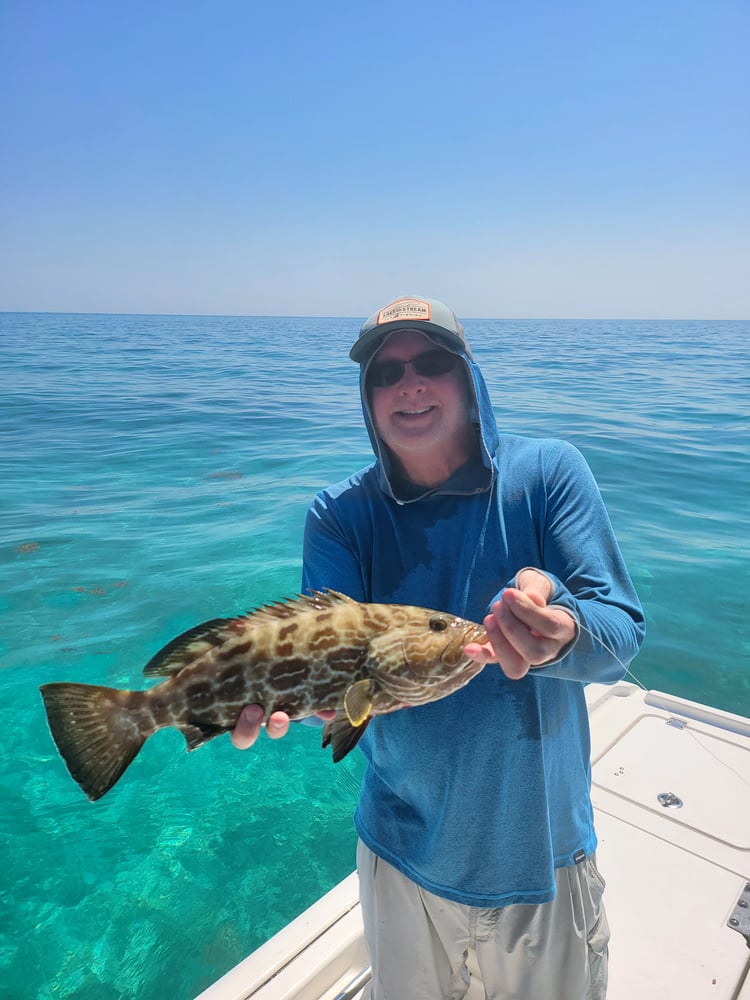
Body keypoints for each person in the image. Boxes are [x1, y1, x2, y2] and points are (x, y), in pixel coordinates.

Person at [232, 296, 645, 1000]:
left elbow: (621, 635)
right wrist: (292, 702)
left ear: (468, 377)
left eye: (430, 363)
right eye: (385, 373)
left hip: (542, 855)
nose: (409, 384)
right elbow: (334, 671)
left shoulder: (547, 474)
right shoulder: (337, 515)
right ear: (367, 399)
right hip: (398, 852)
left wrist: (561, 632)